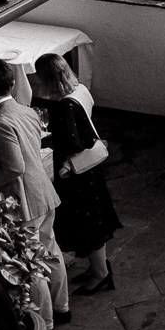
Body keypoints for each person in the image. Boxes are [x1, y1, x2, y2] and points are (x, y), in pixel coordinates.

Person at [0, 57, 72, 322]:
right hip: (43, 193)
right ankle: (62, 308)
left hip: (24, 204)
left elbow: (14, 167)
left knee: (31, 265)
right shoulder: (27, 111)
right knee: (50, 251)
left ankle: (46, 323)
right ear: (13, 83)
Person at [29, 52, 119, 295]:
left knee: (89, 225)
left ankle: (100, 273)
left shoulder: (64, 107)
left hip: (78, 175)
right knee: (95, 219)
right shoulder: (79, 91)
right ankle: (97, 268)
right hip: (91, 169)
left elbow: (74, 143)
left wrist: (50, 142)